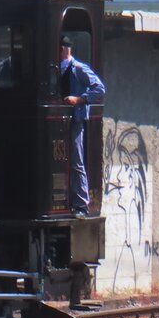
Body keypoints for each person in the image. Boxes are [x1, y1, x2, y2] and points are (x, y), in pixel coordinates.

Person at [59, 35, 106, 216]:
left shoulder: (78, 68)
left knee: (77, 161)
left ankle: (81, 205)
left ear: (62, 49)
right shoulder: (57, 68)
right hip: (60, 121)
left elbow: (99, 88)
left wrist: (79, 99)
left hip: (75, 120)